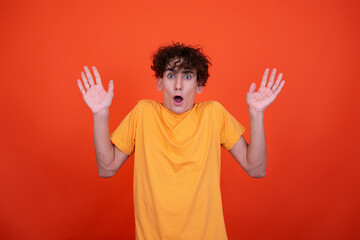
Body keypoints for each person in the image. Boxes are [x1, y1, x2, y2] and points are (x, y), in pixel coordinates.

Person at [77, 42, 285, 240]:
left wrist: (256, 114)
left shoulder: (213, 114)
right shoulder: (143, 113)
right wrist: (100, 114)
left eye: (187, 76)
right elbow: (107, 168)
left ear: (199, 85)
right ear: (159, 82)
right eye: (170, 75)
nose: (178, 85)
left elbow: (256, 169)